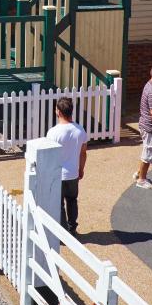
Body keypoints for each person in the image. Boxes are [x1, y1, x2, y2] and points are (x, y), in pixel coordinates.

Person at [45, 97, 88, 234]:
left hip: (58, 174)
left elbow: (49, 155)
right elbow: (83, 153)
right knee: (72, 201)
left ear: (58, 111)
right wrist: (81, 169)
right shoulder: (80, 130)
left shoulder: (52, 132)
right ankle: (72, 227)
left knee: (59, 205)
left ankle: (63, 231)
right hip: (73, 173)